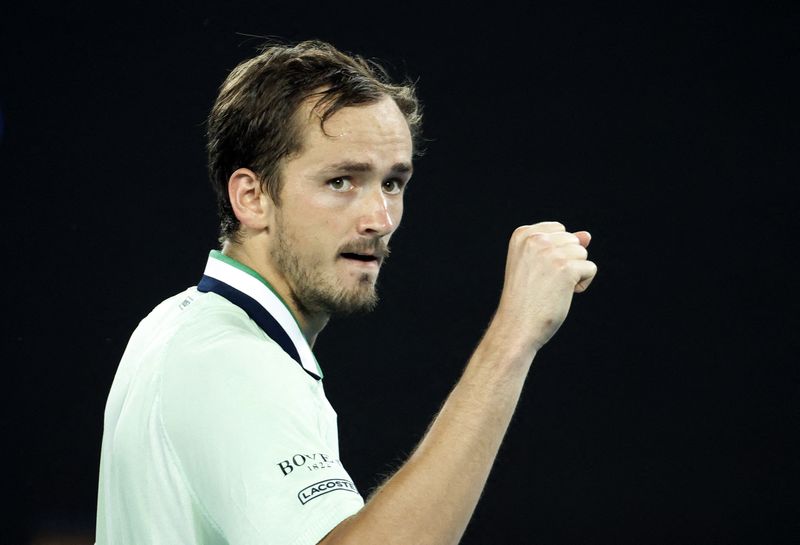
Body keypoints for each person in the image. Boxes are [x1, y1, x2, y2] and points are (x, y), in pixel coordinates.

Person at [95, 40, 597, 545]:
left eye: (393, 184)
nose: (379, 220)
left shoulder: (179, 324)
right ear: (252, 197)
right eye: (341, 181)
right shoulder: (227, 359)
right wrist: (514, 336)